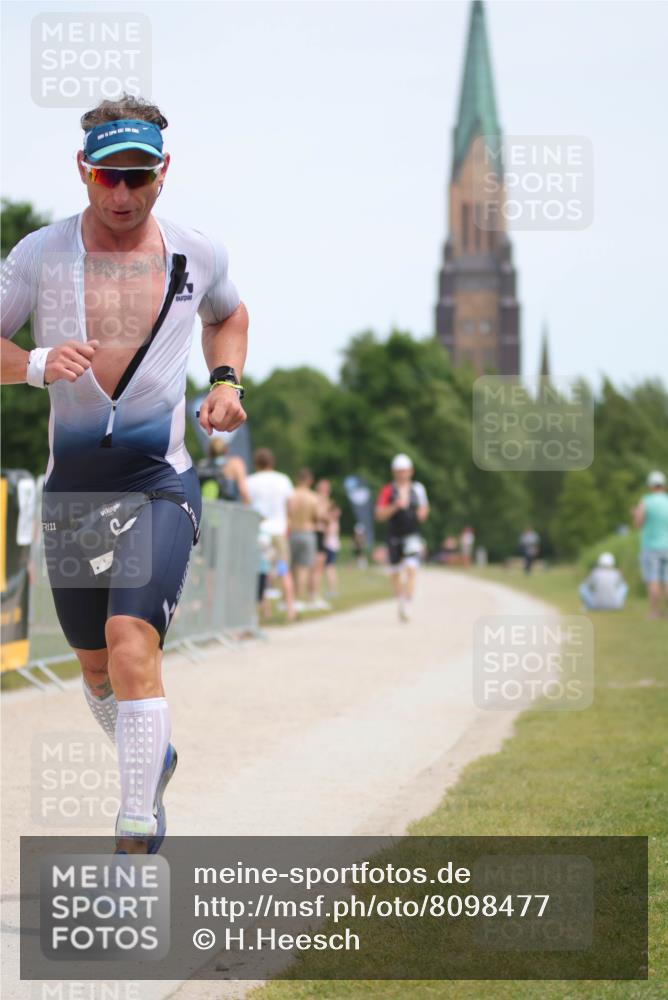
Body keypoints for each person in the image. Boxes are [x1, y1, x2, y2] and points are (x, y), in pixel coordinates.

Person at [0, 95, 248, 853]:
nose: (122, 194)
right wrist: (36, 363)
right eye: (108, 177)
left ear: (163, 173)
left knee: (131, 640)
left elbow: (227, 315)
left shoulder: (196, 253)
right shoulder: (40, 255)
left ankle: (136, 831)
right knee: (97, 670)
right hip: (73, 488)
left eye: (138, 177)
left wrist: (227, 381)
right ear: (83, 170)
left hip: (157, 480)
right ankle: (153, 757)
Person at [375, 453, 429, 621]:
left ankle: (408, 603)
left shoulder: (418, 489)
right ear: (394, 472)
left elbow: (423, 513)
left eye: (405, 470)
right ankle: (400, 599)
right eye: (399, 471)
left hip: (412, 535)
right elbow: (379, 515)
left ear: (410, 471)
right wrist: (395, 506)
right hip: (394, 536)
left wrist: (415, 510)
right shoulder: (387, 490)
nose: (402, 474)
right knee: (395, 573)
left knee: (411, 569)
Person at [246, 448, 296, 621]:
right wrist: (288, 523)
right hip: (278, 531)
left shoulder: (250, 481)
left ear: (256, 463)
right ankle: (290, 610)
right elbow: (291, 506)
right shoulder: (283, 480)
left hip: (259, 531)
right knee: (283, 570)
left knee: (260, 572)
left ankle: (263, 609)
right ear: (272, 463)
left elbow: (246, 503)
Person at [633, 470, 668, 619]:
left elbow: (638, 523)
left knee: (653, 580)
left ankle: (654, 612)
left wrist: (635, 513)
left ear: (651, 485)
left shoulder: (645, 501)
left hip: (650, 546)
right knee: (667, 580)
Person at [287, 468, 320, 610]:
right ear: (310, 480)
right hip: (307, 532)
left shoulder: (291, 495)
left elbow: (288, 512)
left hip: (293, 532)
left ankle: (289, 598)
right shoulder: (313, 497)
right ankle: (298, 599)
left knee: (291, 567)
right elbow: (316, 516)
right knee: (303, 568)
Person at [197, 435, 249, 504]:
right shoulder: (235, 464)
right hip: (228, 509)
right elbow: (243, 490)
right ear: (226, 449)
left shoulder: (202, 465)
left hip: (206, 509)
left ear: (209, 452)